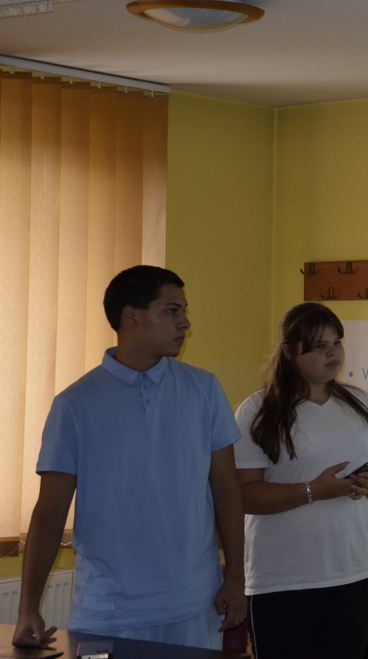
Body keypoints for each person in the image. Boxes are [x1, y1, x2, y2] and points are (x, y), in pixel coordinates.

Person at [13, 265, 246, 651]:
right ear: (131, 317)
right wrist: (28, 608)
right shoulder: (75, 404)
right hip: (108, 613)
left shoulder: (203, 389)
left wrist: (235, 577)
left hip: (194, 606)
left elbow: (226, 486)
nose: (185, 322)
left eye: (184, 310)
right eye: (171, 310)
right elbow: (50, 510)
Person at [234, 302, 368, 659]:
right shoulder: (257, 410)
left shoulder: (362, 402)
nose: (333, 352)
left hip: (356, 569)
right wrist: (314, 491)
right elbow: (244, 496)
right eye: (320, 346)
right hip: (283, 577)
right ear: (289, 352)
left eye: (337, 342)